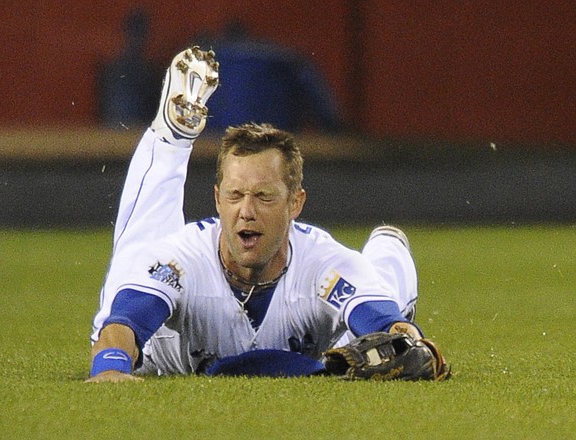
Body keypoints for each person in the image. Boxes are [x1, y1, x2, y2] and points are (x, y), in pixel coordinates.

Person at [87, 46, 423, 383]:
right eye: (234, 195)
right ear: (217, 200)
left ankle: (388, 248)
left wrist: (408, 340)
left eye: (263, 197)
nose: (246, 211)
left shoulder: (325, 265)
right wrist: (112, 366)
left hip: (327, 313)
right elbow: (122, 324)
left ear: (295, 203)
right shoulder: (181, 261)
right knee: (122, 289)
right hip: (160, 355)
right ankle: (172, 138)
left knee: (387, 309)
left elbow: (384, 325)